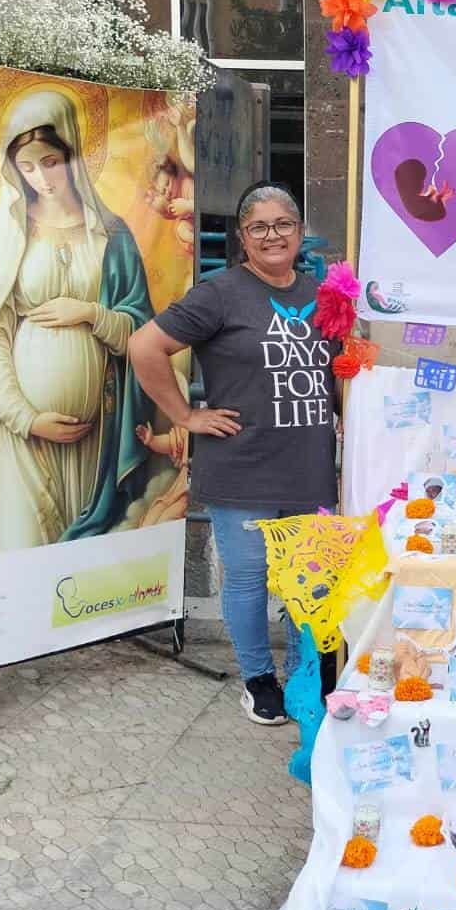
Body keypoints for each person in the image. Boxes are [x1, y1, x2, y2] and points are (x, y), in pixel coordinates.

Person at [128, 184, 339, 727]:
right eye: (259, 227)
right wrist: (184, 415)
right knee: (247, 578)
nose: (273, 236)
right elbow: (144, 346)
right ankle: (259, 680)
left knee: (308, 581)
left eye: (283, 224)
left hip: (308, 466)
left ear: (299, 231)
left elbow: (340, 374)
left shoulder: (323, 295)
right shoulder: (219, 294)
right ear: (243, 238)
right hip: (241, 466)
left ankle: (302, 676)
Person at [0, 88, 155, 555]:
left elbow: (144, 329)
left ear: (73, 155)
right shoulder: (6, 232)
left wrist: (91, 313)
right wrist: (27, 418)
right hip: (21, 433)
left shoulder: (112, 233)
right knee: (19, 547)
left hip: (97, 433)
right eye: (27, 166)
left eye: (50, 162)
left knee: (84, 560)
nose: (41, 178)